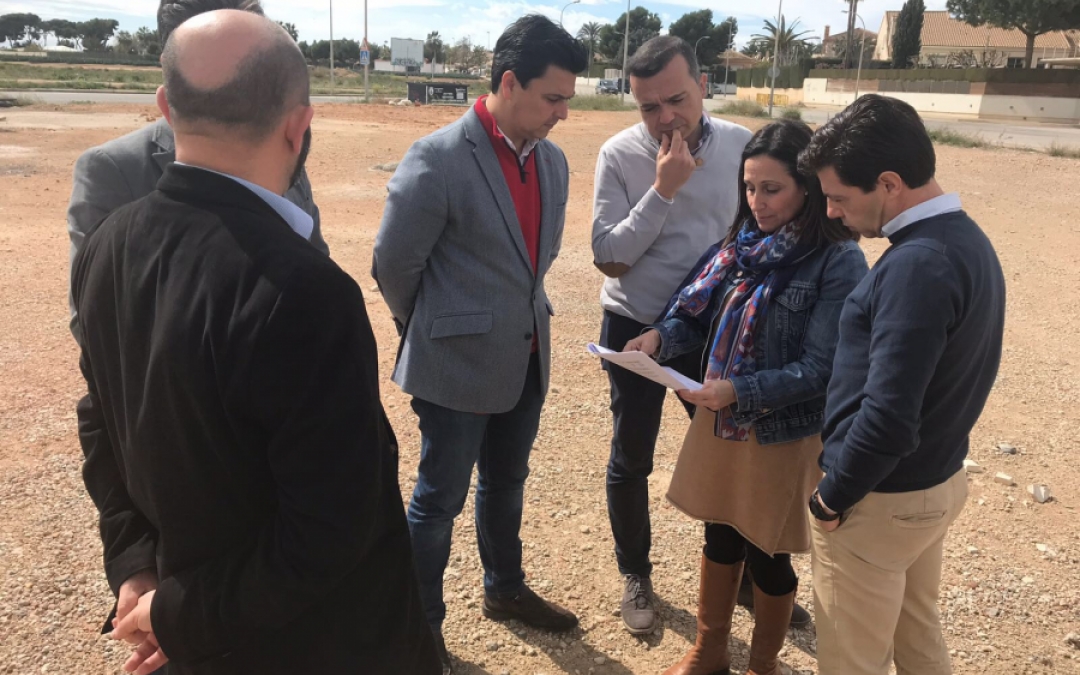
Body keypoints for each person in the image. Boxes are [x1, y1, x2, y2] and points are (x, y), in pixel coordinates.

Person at [73, 11, 439, 674]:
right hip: (303, 644)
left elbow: (99, 419)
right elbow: (329, 529)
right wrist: (177, 613)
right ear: (299, 126)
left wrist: (134, 564)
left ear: (166, 108)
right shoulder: (306, 290)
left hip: (191, 620)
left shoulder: (106, 244)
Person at [372, 14, 588, 674]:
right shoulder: (437, 157)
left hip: (526, 356)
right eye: (553, 98)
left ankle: (505, 588)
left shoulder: (552, 162)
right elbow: (393, 264)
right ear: (510, 82)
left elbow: (536, 263)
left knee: (507, 483)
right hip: (453, 367)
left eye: (567, 100)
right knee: (438, 501)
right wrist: (429, 329)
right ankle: (421, 627)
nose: (562, 113)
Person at [623, 120, 867, 675]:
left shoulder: (838, 260)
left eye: (772, 189)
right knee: (718, 533)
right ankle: (709, 651)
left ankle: (762, 665)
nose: (757, 201)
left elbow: (823, 368)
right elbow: (695, 314)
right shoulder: (740, 245)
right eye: (750, 187)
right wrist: (659, 338)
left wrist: (738, 389)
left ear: (808, 187)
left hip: (781, 432)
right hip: (723, 419)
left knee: (767, 552)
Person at [590, 36, 811, 634]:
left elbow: (760, 235)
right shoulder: (619, 154)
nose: (665, 117)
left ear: (703, 85)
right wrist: (663, 188)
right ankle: (636, 573)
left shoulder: (742, 147)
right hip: (637, 327)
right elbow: (609, 257)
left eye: (677, 100)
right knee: (631, 456)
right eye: (649, 107)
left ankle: (751, 580)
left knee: (734, 457)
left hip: (721, 327)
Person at [798, 94, 1006, 675]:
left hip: (881, 501)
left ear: (888, 183)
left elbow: (888, 416)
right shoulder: (964, 239)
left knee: (852, 662)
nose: (832, 212)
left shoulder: (917, 264)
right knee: (917, 635)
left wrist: (832, 497)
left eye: (839, 197)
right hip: (933, 483)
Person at [66, 0, 327, 346]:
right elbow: (94, 319)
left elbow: (315, 257)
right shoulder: (114, 170)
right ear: (168, 63)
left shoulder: (283, 151)